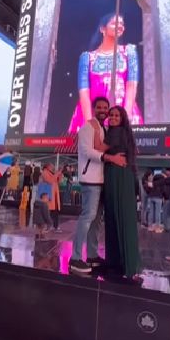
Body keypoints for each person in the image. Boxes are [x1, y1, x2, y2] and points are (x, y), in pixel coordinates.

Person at [69, 97, 127, 274]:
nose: (103, 110)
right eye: (99, 107)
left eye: (105, 108)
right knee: (88, 217)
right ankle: (75, 258)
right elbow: (87, 151)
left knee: (96, 220)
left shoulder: (104, 128)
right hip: (90, 180)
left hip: (102, 181)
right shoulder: (87, 127)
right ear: (94, 109)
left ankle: (92, 255)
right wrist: (110, 158)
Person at [68, 13, 142, 134]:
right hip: (93, 114)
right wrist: (90, 124)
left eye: (122, 24)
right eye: (114, 23)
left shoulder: (129, 52)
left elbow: (131, 86)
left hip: (122, 110)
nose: (120, 26)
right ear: (103, 29)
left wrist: (124, 119)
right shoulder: (87, 57)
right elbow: (84, 93)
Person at [93, 106, 142, 283]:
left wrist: (93, 126)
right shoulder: (125, 133)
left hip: (117, 176)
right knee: (123, 219)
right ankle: (125, 264)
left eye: (116, 116)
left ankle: (120, 264)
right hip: (124, 176)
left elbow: (97, 147)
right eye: (111, 115)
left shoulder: (115, 132)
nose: (112, 118)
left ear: (122, 119)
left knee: (116, 217)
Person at [39, 163, 63, 232]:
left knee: (55, 212)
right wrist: (57, 173)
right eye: (52, 166)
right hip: (48, 196)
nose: (53, 167)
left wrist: (60, 174)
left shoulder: (52, 173)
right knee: (48, 212)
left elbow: (58, 181)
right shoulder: (45, 173)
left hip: (54, 196)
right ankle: (47, 226)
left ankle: (55, 226)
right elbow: (50, 181)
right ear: (47, 166)